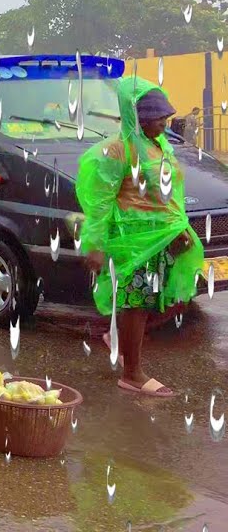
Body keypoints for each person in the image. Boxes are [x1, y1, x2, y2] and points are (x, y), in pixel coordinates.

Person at [79, 79, 201, 398]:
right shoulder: (119, 150)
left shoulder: (160, 145)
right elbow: (100, 202)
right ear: (140, 118)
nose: (165, 121)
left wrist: (179, 229)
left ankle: (119, 337)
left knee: (167, 300)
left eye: (165, 115)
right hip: (135, 242)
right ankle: (132, 374)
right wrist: (95, 243)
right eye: (158, 116)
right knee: (139, 301)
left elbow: (169, 192)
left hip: (161, 237)